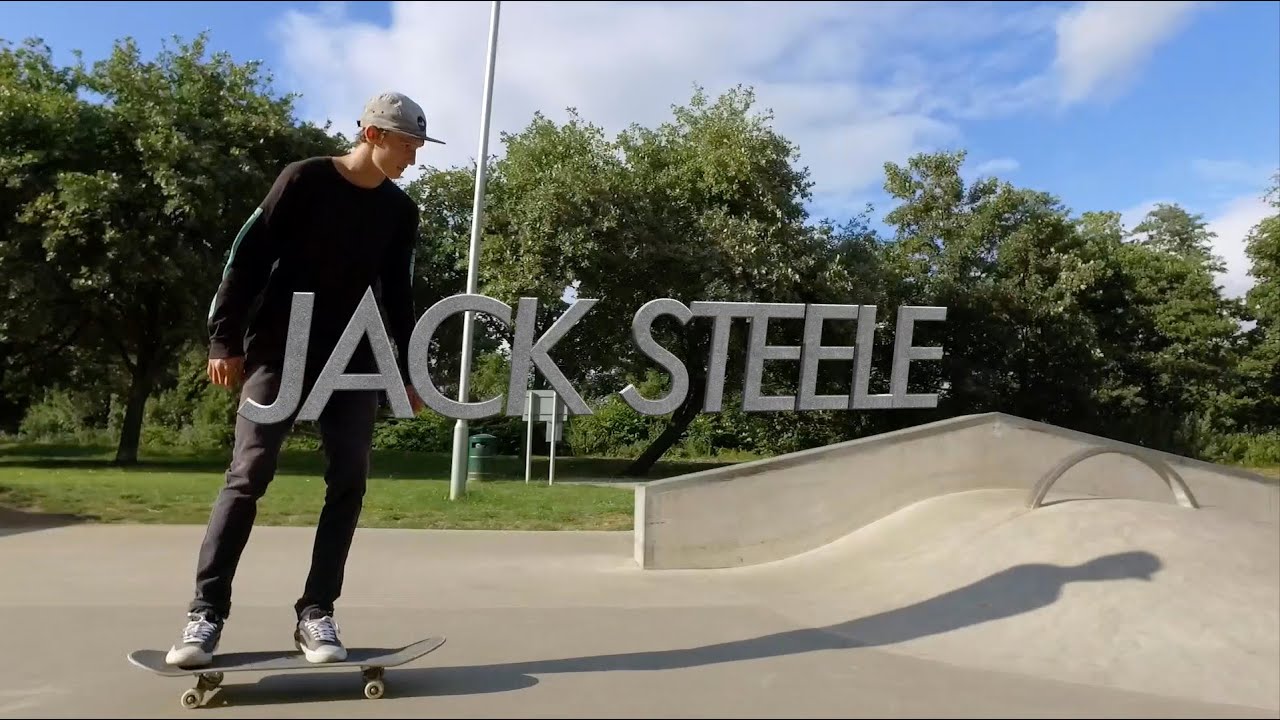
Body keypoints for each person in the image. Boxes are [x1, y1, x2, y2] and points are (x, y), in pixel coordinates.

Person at [165, 91, 440, 667]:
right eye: (408, 143)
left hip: (356, 356)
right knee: (249, 472)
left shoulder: (399, 211)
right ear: (374, 136)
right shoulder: (304, 180)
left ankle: (316, 613)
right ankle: (205, 613)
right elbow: (246, 257)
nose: (414, 156)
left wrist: (409, 374)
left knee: (349, 480)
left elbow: (398, 295)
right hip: (279, 346)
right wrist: (224, 338)